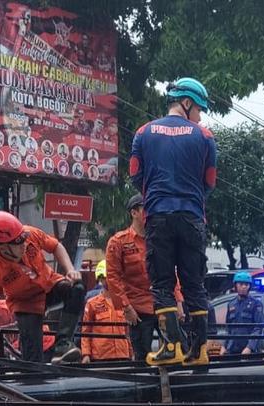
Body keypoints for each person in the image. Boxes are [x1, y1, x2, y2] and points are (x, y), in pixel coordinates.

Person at [129, 77, 218, 365]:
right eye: (199, 109)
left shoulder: (143, 133)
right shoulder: (204, 136)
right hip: (192, 217)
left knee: (162, 283)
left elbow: (135, 176)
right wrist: (190, 198)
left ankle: (171, 348)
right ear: (187, 103)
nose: (200, 116)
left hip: (158, 217)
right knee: (194, 284)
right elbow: (210, 181)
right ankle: (199, 350)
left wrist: (157, 195)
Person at [0, 210, 85, 364]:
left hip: (49, 286)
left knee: (76, 289)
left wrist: (70, 269)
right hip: (25, 304)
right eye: (18, 243)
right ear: (3, 247)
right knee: (33, 359)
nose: (24, 245)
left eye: (24, 239)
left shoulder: (30, 234)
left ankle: (63, 344)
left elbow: (56, 246)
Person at [105, 194, 161, 363]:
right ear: (134, 213)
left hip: (162, 305)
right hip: (138, 310)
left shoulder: (158, 240)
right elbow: (113, 278)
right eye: (146, 209)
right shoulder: (118, 242)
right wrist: (126, 308)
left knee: (177, 351)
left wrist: (179, 301)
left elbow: (170, 272)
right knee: (142, 359)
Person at [80, 261, 132, 362]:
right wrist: (86, 354)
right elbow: (86, 331)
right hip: (100, 357)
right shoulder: (92, 304)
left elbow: (128, 331)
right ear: (100, 279)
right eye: (104, 277)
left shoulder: (125, 303)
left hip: (123, 356)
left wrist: (131, 352)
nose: (108, 281)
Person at [222, 271, 264, 355]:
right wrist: (224, 346)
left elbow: (258, 328)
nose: (244, 287)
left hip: (248, 350)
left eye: (246, 284)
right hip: (232, 349)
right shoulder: (231, 304)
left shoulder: (256, 304)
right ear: (235, 286)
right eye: (241, 284)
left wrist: (249, 347)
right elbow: (228, 328)